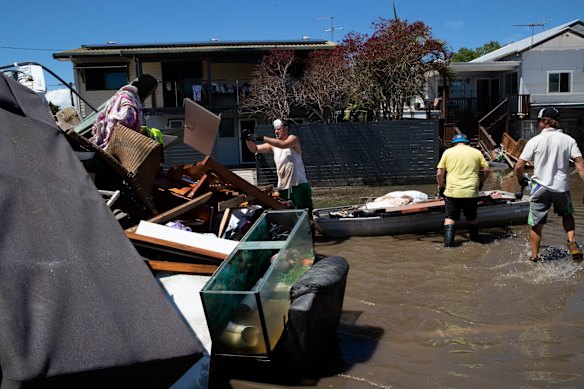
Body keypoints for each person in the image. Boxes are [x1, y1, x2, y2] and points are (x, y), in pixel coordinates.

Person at [514, 107, 584, 262]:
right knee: (567, 215)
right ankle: (572, 243)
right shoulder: (569, 140)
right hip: (561, 187)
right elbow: (580, 165)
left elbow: (519, 166)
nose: (539, 122)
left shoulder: (534, 141)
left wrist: (520, 180)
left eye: (539, 120)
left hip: (540, 188)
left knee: (536, 224)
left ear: (545, 121)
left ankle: (534, 257)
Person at [243, 119, 313, 211]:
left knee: (305, 212)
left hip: (298, 185)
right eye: (275, 129)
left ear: (286, 129)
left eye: (279, 129)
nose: (276, 131)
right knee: (288, 213)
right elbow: (254, 149)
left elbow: (283, 144)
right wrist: (248, 139)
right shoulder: (273, 145)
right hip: (283, 186)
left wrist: (261, 138)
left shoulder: (292, 139)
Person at [437, 133, 490, 247]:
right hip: (471, 192)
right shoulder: (476, 152)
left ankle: (449, 245)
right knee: (472, 218)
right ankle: (475, 242)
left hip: (452, 192)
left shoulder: (448, 152)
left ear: (453, 143)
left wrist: (441, 187)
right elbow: (486, 170)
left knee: (450, 218)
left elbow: (440, 173)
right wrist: (480, 182)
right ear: (467, 142)